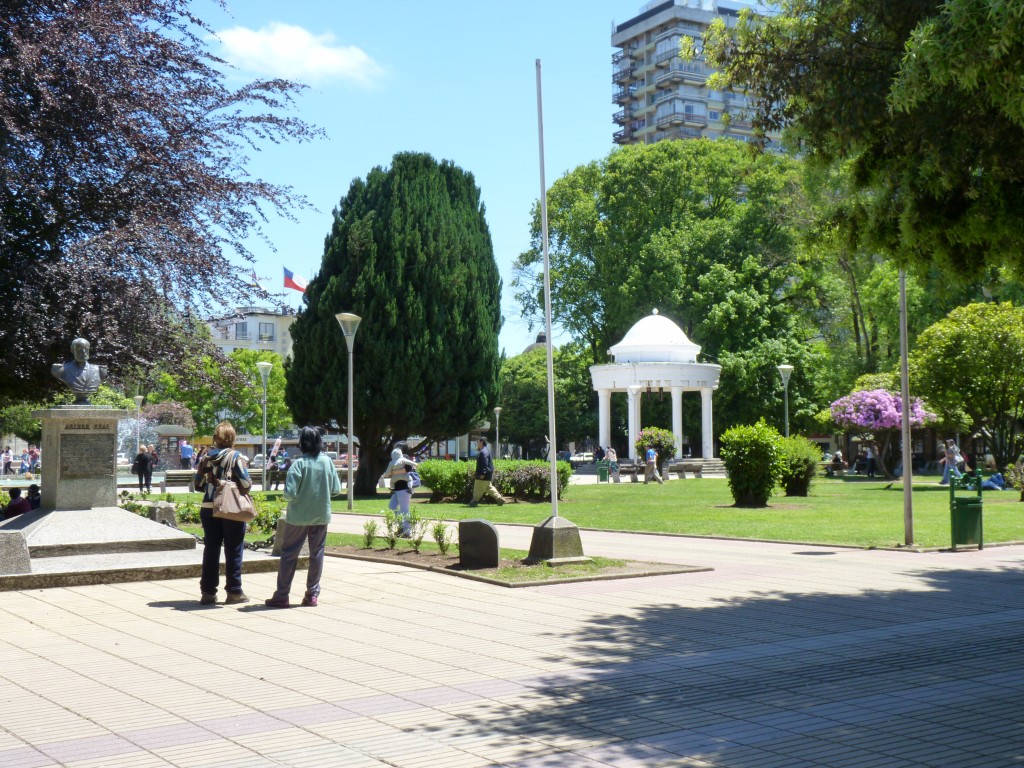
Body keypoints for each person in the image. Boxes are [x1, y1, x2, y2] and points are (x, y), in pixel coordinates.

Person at [265, 427, 341, 608]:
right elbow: (336, 490)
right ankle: (312, 594)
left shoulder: (298, 464)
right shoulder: (327, 462)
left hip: (297, 517)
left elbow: (289, 494)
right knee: (317, 554)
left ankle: (282, 595)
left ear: (302, 443)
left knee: (289, 554)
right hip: (321, 515)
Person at [194, 421, 252, 605]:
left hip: (208, 508)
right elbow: (246, 484)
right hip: (229, 509)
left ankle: (208, 592)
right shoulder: (236, 457)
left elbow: (198, 485)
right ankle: (234, 591)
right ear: (232, 438)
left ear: (216, 438)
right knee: (233, 549)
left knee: (211, 549)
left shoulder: (206, 458)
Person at [50, 337, 107, 404]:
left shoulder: (99, 370)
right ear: (72, 350)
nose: (83, 352)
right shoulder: (62, 370)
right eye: (79, 349)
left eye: (86, 349)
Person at [383, 447, 417, 534]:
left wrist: (393, 472)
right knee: (392, 507)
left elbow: (408, 469)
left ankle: (407, 531)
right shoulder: (396, 460)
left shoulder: (404, 459)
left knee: (404, 509)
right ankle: (402, 526)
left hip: (405, 488)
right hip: (397, 489)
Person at [469, 436, 504, 507]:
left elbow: (485, 463)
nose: (477, 443)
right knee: (489, 487)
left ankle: (474, 501)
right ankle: (499, 498)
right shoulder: (486, 450)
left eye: (478, 442)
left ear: (481, 442)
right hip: (488, 474)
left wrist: (483, 473)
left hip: (483, 474)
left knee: (477, 487)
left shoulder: (483, 452)